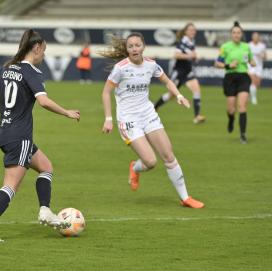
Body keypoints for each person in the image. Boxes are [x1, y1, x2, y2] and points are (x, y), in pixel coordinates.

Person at [0, 29, 81, 242]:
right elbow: (44, 101)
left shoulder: (6, 69)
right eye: (44, 51)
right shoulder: (32, 72)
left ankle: (45, 211)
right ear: (36, 48)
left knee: (46, 167)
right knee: (11, 185)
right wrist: (67, 112)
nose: (44, 56)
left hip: (6, 133)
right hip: (19, 136)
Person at [101, 32, 204, 209]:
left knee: (169, 156)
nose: (134, 49)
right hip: (128, 119)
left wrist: (178, 95)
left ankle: (185, 198)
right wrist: (108, 118)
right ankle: (135, 168)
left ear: (143, 46)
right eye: (130, 46)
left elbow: (167, 81)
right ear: (127, 49)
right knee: (150, 162)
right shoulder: (121, 68)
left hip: (148, 114)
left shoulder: (151, 65)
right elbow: (106, 92)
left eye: (137, 45)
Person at [154, 23, 206, 124]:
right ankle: (155, 107)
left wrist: (195, 58)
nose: (193, 32)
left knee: (197, 90)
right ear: (186, 31)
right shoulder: (182, 42)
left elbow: (191, 56)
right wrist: (190, 56)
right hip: (179, 72)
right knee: (171, 95)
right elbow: (176, 55)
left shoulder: (191, 42)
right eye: (190, 30)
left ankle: (197, 116)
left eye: (194, 30)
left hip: (188, 71)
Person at [215, 21, 255, 144]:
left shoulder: (246, 46)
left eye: (238, 33)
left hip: (243, 77)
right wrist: (229, 65)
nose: (236, 35)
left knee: (242, 106)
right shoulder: (225, 47)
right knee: (231, 109)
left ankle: (243, 135)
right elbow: (217, 64)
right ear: (231, 35)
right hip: (230, 78)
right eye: (234, 33)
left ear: (241, 34)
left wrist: (252, 63)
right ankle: (231, 119)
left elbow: (251, 60)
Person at [248, 32, 266, 105]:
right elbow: (246, 56)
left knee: (257, 83)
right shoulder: (249, 45)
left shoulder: (262, 46)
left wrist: (262, 56)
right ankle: (253, 98)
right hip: (251, 66)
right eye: (254, 36)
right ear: (252, 37)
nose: (255, 38)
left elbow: (265, 56)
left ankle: (249, 93)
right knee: (253, 81)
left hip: (259, 66)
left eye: (257, 37)